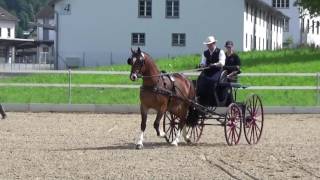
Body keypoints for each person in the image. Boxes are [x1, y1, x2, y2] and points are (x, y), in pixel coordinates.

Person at [197, 36, 226, 106]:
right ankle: (200, 98)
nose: (209, 45)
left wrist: (214, 64)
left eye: (210, 44)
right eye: (208, 44)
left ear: (214, 43)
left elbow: (222, 63)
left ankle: (211, 100)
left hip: (217, 71)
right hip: (207, 71)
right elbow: (203, 62)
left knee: (211, 81)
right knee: (199, 80)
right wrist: (201, 65)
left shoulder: (220, 51)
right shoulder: (205, 53)